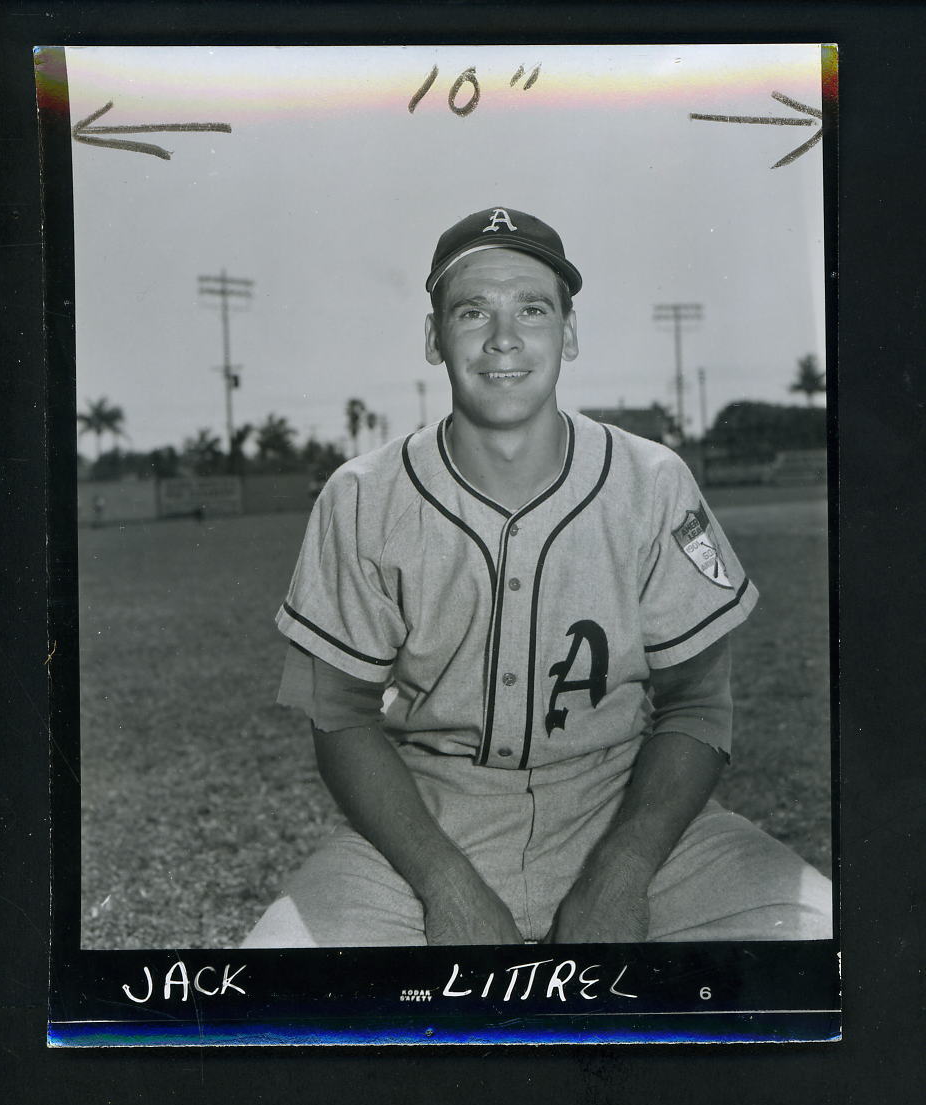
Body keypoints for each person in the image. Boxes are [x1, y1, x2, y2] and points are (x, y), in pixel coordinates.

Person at [243, 207, 833, 948]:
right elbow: (339, 717)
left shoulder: (651, 481)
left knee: (823, 947)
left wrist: (621, 871)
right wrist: (444, 884)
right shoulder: (362, 494)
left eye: (531, 308)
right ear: (434, 338)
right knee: (276, 978)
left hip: (623, 807)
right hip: (432, 818)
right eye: (471, 311)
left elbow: (698, 707)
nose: (503, 338)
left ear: (569, 331)